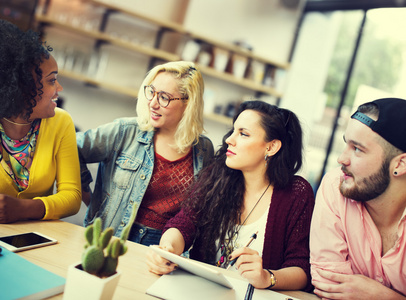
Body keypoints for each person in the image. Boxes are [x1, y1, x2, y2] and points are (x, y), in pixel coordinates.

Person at [147, 100, 315, 291]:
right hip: (200, 291)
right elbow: (183, 224)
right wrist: (167, 250)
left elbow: (301, 269)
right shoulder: (218, 174)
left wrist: (267, 277)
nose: (229, 139)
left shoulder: (297, 193)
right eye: (233, 130)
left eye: (243, 134)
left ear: (271, 147)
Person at [77, 61, 214, 246]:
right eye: (151, 92)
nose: (153, 103)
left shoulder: (203, 150)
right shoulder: (125, 131)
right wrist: (90, 200)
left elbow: (196, 212)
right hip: (111, 238)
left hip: (162, 249)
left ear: (188, 102)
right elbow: (72, 147)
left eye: (164, 97)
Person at [310, 98, 406, 299]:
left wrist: (381, 297)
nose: (341, 159)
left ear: (400, 164)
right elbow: (329, 287)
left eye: (357, 149)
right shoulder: (335, 186)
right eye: (346, 144)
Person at [0, 20, 81, 223]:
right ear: (23, 86)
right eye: (52, 80)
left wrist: (24, 208)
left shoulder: (61, 122)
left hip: (32, 239)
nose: (59, 88)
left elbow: (72, 196)